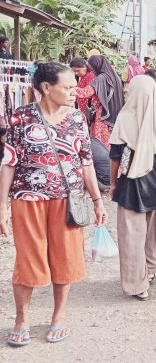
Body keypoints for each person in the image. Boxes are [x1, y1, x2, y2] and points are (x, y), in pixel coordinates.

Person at [0, 62, 106, 346]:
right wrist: (2, 208)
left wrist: (97, 200)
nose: (74, 92)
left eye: (75, 86)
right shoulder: (21, 117)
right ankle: (21, 318)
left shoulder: (76, 119)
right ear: (46, 88)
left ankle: (59, 315)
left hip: (67, 200)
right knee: (27, 259)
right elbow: (9, 163)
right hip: (27, 200)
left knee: (65, 259)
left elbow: (86, 164)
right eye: (68, 87)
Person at [109, 76, 156, 301]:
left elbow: (115, 157)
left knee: (131, 236)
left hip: (130, 187)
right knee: (152, 231)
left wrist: (113, 183)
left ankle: (137, 284)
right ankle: (151, 268)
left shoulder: (124, 119)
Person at [88, 55, 125, 129]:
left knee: (100, 139)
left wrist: (71, 90)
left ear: (96, 65)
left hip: (104, 113)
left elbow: (87, 92)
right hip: (116, 112)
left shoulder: (101, 78)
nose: (92, 70)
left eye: (92, 67)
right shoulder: (115, 76)